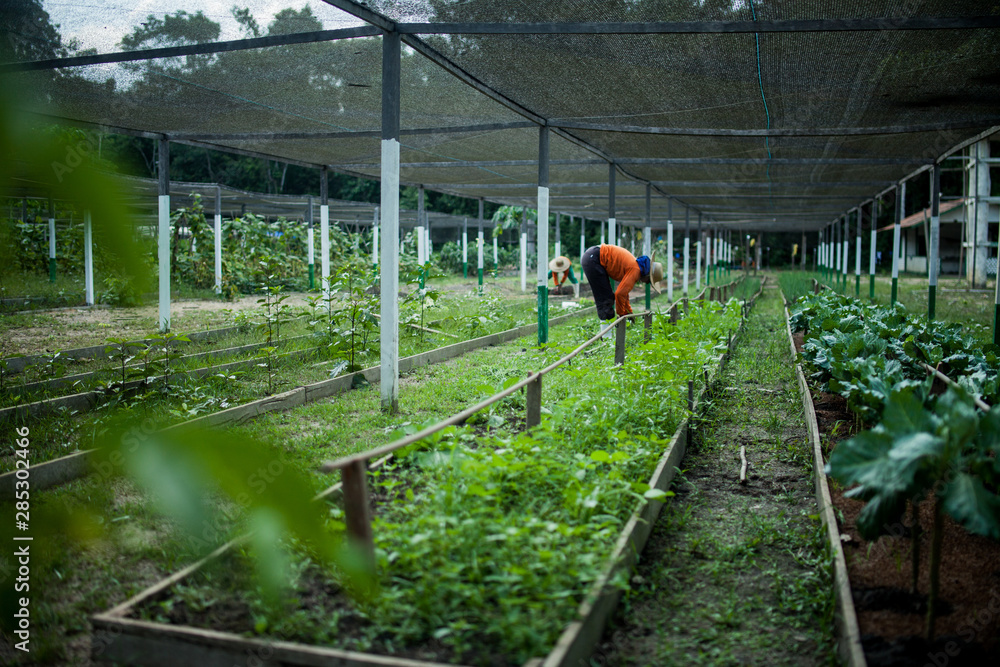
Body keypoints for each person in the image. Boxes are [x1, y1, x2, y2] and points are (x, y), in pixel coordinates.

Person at [581, 244, 663, 323]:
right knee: (605, 299)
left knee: (607, 297)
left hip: (593, 256)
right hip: (594, 259)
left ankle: (607, 332)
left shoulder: (635, 267)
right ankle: (606, 335)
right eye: (648, 281)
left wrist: (628, 313)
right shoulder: (635, 271)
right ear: (647, 275)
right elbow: (619, 294)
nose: (646, 283)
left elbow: (624, 294)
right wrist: (621, 315)